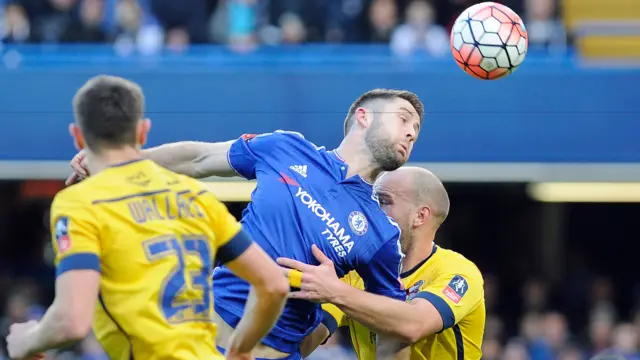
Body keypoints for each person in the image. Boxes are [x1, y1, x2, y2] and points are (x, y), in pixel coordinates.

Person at [67, 88, 424, 359]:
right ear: (364, 116)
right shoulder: (286, 148)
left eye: (416, 129)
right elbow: (199, 157)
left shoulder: (382, 234)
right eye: (404, 119)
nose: (411, 133)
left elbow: (398, 328)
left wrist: (339, 294)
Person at [5, 75, 288, 360]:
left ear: (78, 136)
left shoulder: (79, 203)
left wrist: (26, 341)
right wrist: (241, 347)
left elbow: (72, 321)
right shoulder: (194, 195)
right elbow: (274, 284)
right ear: (143, 132)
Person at [282, 167, 486, 359]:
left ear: (420, 216)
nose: (371, 212)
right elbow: (304, 343)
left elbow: (412, 325)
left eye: (383, 202)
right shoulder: (355, 273)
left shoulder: (459, 273)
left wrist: (335, 291)